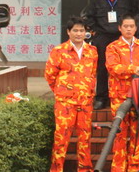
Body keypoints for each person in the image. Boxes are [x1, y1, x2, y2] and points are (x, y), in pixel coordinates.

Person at [44, 16, 97, 172]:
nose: (79, 34)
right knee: (61, 139)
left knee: (85, 140)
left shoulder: (92, 51)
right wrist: (62, 92)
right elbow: (50, 75)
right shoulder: (59, 51)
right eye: (75, 30)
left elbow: (93, 74)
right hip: (65, 103)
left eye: (81, 30)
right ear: (68, 32)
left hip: (85, 102)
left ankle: (84, 169)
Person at [85, 0, 135, 109]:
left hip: (120, 37)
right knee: (102, 67)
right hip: (102, 36)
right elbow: (89, 16)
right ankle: (101, 97)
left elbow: (132, 14)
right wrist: (95, 31)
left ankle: (124, 96)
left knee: (123, 66)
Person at [105, 14, 139, 172]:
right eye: (126, 26)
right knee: (119, 133)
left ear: (136, 28)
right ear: (120, 28)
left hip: (138, 95)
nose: (129, 29)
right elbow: (113, 68)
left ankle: (136, 168)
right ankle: (118, 168)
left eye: (131, 26)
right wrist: (132, 69)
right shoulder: (113, 47)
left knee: (138, 133)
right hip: (119, 95)